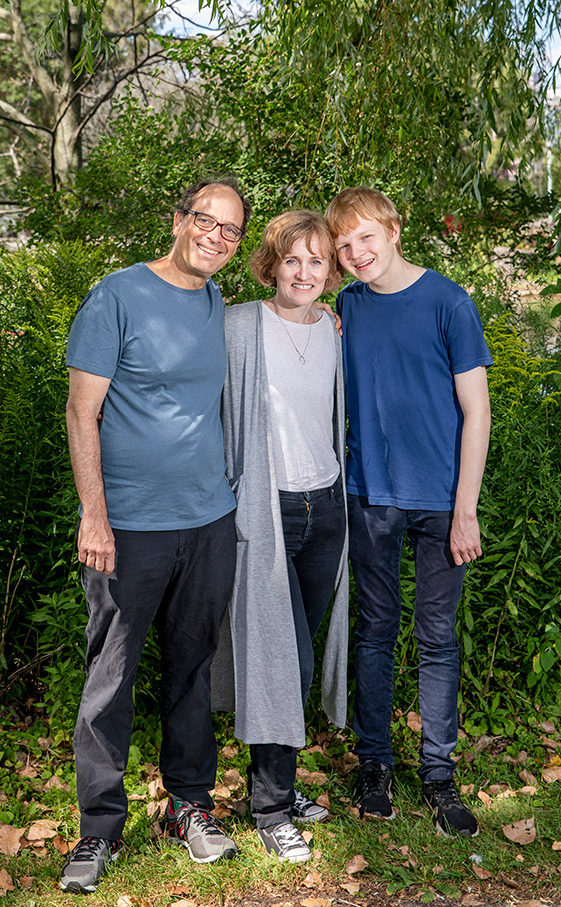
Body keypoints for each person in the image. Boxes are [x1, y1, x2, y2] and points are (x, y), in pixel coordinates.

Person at [60, 179, 251, 893]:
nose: (216, 237)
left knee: (192, 671)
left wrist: (324, 315)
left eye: (231, 230)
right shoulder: (116, 295)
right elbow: (83, 413)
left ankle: (187, 807)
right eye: (206, 220)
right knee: (110, 677)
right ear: (177, 220)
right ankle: (98, 830)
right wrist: (94, 514)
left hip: (207, 519)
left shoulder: (214, 303)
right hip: (128, 528)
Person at [325, 187, 492, 837]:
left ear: (395, 229)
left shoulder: (448, 301)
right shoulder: (348, 306)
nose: (356, 253)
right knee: (374, 629)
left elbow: (476, 410)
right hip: (371, 495)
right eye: (343, 246)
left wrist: (466, 509)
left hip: (441, 501)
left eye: (365, 237)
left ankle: (439, 774)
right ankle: (375, 766)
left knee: (436, 637)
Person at [212, 210, 349, 863]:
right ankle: (269, 810)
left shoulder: (333, 329)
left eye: (317, 261)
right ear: (271, 264)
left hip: (327, 510)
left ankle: (281, 787)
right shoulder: (240, 326)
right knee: (282, 659)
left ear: (331, 270)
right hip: (266, 514)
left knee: (295, 660)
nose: (304, 272)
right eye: (292, 259)